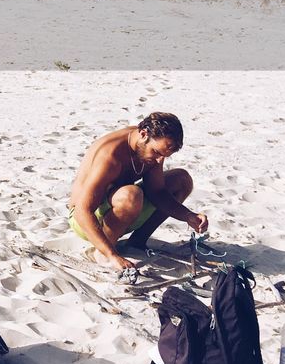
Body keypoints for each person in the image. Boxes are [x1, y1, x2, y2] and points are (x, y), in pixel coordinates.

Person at [67, 112, 207, 270]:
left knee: (182, 179)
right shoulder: (111, 155)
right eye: (156, 153)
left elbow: (158, 192)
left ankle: (137, 242)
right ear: (143, 134)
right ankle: (104, 252)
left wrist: (188, 215)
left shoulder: (152, 151)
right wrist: (111, 255)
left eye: (164, 156)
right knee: (131, 195)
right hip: (85, 220)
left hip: (122, 209)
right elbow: (82, 210)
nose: (159, 160)